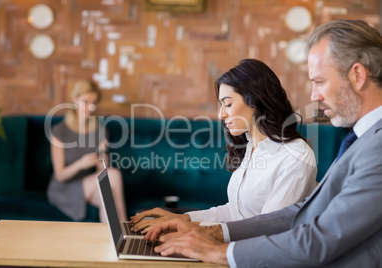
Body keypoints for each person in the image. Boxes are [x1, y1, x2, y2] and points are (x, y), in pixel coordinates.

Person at [144, 19, 382, 267]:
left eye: (319, 82)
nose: (313, 96)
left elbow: (318, 240)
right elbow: (296, 214)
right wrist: (200, 228)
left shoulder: (375, 148)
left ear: (357, 75)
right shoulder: (361, 140)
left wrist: (217, 252)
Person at [130, 59, 318, 233]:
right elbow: (236, 213)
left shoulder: (295, 156)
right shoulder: (252, 146)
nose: (221, 114)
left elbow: (267, 229)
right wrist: (183, 219)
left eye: (227, 104)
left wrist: (192, 230)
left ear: (256, 102)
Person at [47, 79, 127, 222]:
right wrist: (81, 164)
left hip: (89, 185)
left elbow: (103, 173)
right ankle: (127, 234)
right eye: (85, 102)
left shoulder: (101, 131)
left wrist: (102, 158)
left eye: (94, 102)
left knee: (107, 197)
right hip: (64, 188)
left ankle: (115, 242)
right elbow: (60, 175)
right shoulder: (59, 131)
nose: (90, 107)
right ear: (74, 100)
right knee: (114, 175)